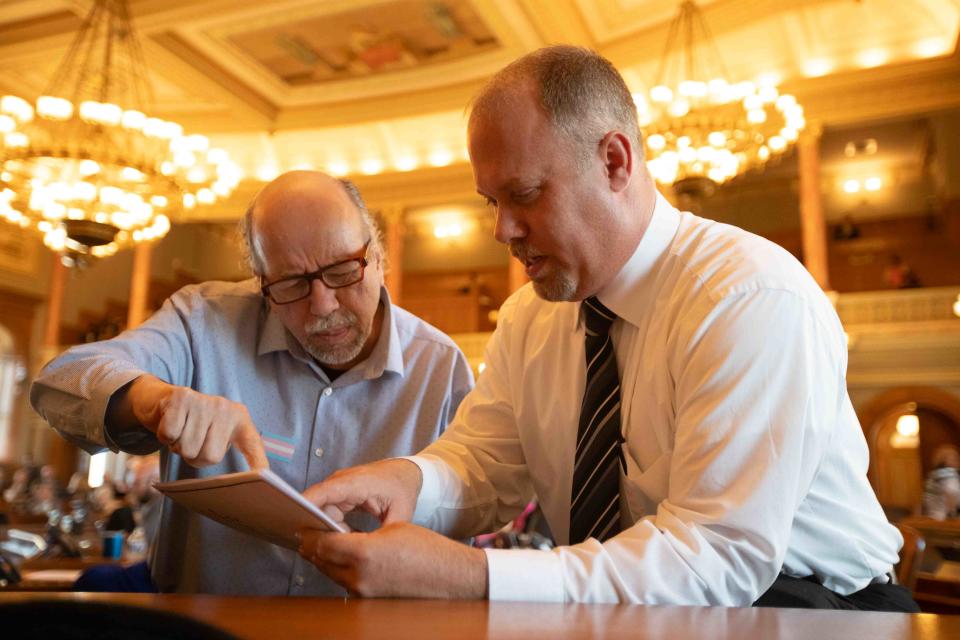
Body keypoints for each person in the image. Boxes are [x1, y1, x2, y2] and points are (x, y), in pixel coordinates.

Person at [296, 46, 916, 611]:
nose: (501, 231)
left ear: (615, 161)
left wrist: (472, 576)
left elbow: (715, 557)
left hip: (809, 611)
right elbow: (486, 462)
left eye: (525, 194)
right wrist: (405, 479)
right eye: (493, 202)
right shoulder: (528, 317)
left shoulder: (748, 296)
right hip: (629, 607)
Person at [31, 170, 474, 595]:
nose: (322, 305)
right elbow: (58, 384)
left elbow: (461, 537)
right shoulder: (201, 322)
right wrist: (155, 401)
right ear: (262, 283)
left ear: (379, 258)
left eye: (342, 271)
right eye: (291, 284)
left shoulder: (441, 371)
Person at [922, 444, 960, 520]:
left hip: (932, 516)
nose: (958, 461)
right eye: (954, 459)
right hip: (946, 519)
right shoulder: (948, 474)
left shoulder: (933, 476)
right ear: (944, 461)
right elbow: (953, 493)